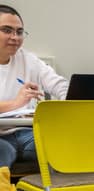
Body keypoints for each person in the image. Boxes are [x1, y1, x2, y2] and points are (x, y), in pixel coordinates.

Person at [0, 4, 67, 168]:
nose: (15, 37)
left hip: (27, 133)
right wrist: (16, 103)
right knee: (4, 153)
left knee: (65, 147)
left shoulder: (27, 59)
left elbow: (59, 84)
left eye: (19, 32)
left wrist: (71, 99)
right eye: (7, 30)